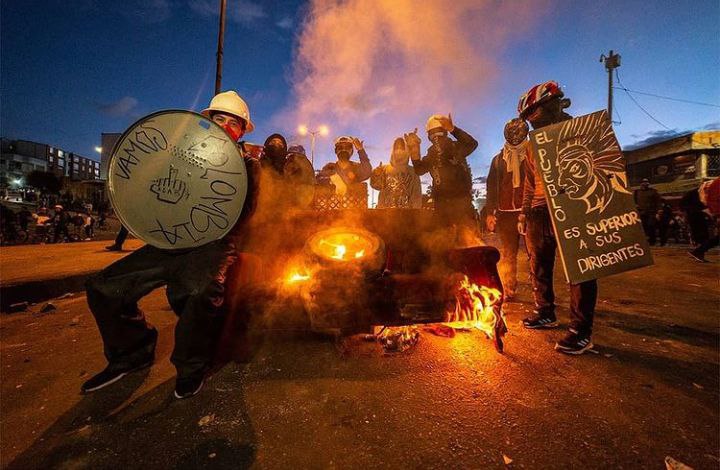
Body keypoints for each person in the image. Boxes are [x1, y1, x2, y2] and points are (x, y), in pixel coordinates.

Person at [82, 90, 257, 399]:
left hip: (214, 244)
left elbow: (244, 215)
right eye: (220, 119)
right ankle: (132, 353)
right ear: (207, 122)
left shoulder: (249, 166)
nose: (226, 127)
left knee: (200, 292)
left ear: (242, 131)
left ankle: (191, 368)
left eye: (234, 123)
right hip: (172, 238)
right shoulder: (181, 152)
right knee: (104, 287)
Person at [516, 80, 597, 355]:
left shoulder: (579, 132)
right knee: (539, 264)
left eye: (535, 112)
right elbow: (529, 182)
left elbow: (598, 167)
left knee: (581, 268)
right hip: (539, 210)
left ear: (554, 105)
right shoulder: (532, 145)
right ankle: (545, 311)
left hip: (572, 206)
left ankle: (580, 331)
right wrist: (525, 212)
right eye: (528, 116)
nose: (532, 119)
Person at [407, 114, 478, 236]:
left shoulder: (452, 148)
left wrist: (453, 129)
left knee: (460, 240)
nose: (437, 140)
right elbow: (419, 169)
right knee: (455, 240)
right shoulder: (437, 152)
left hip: (458, 205)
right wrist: (414, 150)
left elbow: (472, 144)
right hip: (447, 206)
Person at [485, 118, 528, 299]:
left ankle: (540, 294)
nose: (515, 137)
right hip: (506, 214)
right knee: (509, 253)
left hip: (529, 211)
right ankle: (509, 286)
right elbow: (491, 188)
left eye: (518, 134)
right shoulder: (498, 160)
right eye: (511, 134)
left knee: (535, 254)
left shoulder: (532, 155)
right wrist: (490, 213)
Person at [370, 136, 422, 209]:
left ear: (406, 150)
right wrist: (376, 175)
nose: (399, 150)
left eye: (401, 148)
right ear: (393, 150)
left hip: (406, 212)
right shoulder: (384, 169)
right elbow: (375, 186)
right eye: (396, 148)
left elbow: (416, 194)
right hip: (385, 212)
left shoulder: (412, 171)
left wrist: (416, 212)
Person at [683, 178, 719, 262]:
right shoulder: (697, 193)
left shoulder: (702, 191)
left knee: (707, 236)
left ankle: (698, 251)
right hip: (698, 216)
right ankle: (698, 251)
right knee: (703, 236)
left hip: (701, 215)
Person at [634, 178, 662, 245]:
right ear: (641, 183)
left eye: (646, 182)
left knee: (651, 226)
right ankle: (644, 241)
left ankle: (652, 241)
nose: (645, 183)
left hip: (651, 212)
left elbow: (658, 202)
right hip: (641, 212)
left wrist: (659, 211)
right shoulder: (637, 192)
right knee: (642, 227)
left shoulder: (653, 191)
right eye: (643, 182)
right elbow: (634, 201)